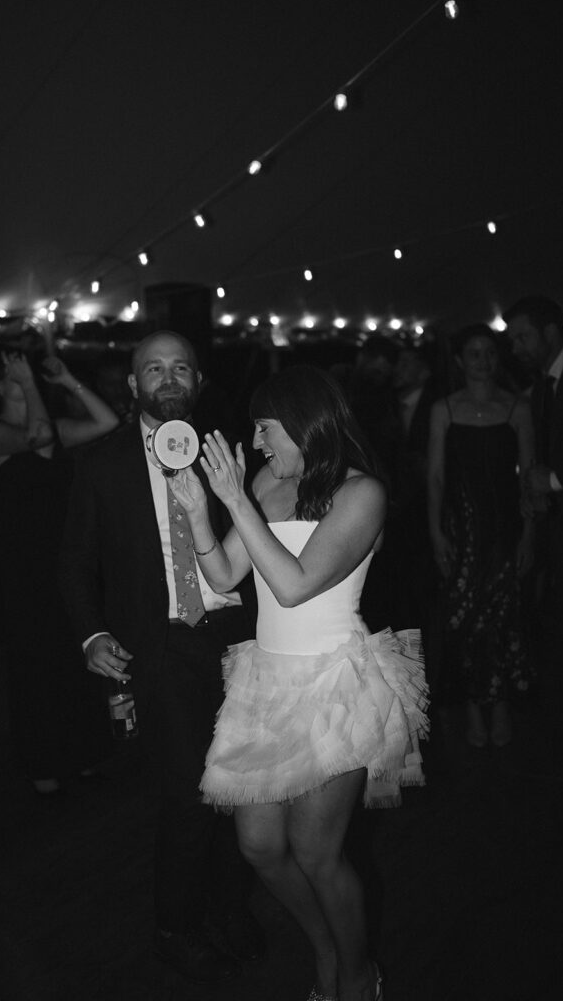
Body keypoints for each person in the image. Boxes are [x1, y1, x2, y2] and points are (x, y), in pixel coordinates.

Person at [169, 364, 429, 1001]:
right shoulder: (264, 482)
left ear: (305, 422)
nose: (257, 444)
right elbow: (229, 573)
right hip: (265, 679)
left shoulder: (360, 493)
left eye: (265, 429)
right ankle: (325, 948)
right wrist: (204, 513)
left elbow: (293, 584)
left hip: (333, 682)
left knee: (317, 853)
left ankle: (357, 971)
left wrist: (234, 501)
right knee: (259, 848)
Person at [59, 331, 261, 984]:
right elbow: (73, 566)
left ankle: (230, 914)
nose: (168, 379)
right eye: (154, 368)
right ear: (133, 384)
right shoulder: (101, 462)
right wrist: (93, 636)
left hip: (234, 639)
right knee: (184, 794)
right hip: (162, 645)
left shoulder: (225, 455)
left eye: (180, 368)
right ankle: (175, 928)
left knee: (238, 789)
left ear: (198, 381)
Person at [0, 351, 119, 793]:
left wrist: (69, 379)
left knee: (71, 655)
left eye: (22, 371)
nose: (20, 376)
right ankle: (42, 765)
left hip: (62, 558)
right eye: (11, 375)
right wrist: (34, 384)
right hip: (23, 565)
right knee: (36, 662)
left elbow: (107, 422)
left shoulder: (54, 428)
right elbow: (37, 436)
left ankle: (79, 758)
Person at [427, 324, 535, 748]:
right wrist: (435, 532)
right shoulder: (444, 410)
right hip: (461, 529)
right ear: (460, 361)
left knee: (505, 617)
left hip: (504, 529)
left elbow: (529, 479)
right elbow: (436, 477)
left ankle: (502, 705)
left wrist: (530, 535)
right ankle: (473, 707)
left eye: (489, 352)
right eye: (474, 353)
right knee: (463, 619)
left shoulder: (517, 408)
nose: (483, 361)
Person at [503, 296, 563, 659]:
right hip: (562, 532)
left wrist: (554, 481)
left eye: (523, 337)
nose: (515, 348)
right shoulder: (543, 387)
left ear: (551, 332)